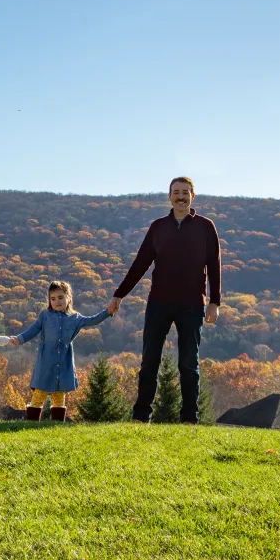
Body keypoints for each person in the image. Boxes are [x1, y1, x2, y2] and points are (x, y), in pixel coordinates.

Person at [109, 176, 221, 423]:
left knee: (189, 364)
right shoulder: (157, 227)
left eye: (185, 192)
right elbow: (140, 263)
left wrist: (215, 301)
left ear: (193, 196)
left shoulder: (205, 226)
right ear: (169, 196)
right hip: (159, 302)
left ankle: (190, 418)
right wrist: (120, 294)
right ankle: (141, 416)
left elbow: (214, 265)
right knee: (149, 361)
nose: (180, 196)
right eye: (176, 192)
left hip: (192, 304)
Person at [12, 281, 114, 422]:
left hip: (64, 361)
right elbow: (33, 330)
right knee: (40, 392)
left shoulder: (75, 318)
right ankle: (32, 423)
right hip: (46, 361)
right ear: (49, 300)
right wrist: (19, 339)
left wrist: (108, 312)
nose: (57, 301)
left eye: (60, 297)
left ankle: (57, 424)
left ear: (68, 298)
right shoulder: (45, 316)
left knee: (59, 393)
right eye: (53, 299)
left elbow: (93, 320)